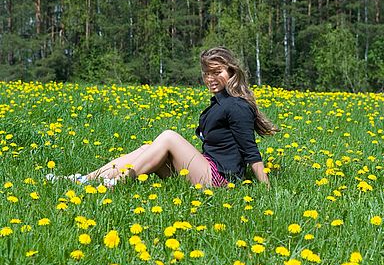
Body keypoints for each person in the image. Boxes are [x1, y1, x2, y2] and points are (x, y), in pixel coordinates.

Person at [53, 47, 278, 188]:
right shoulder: (220, 102)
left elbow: (250, 151)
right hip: (207, 168)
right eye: (207, 73)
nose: (210, 78)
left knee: (169, 137)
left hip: (221, 180)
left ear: (231, 72)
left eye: (217, 72)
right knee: (145, 148)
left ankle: (118, 183)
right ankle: (85, 180)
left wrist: (265, 189)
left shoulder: (237, 106)